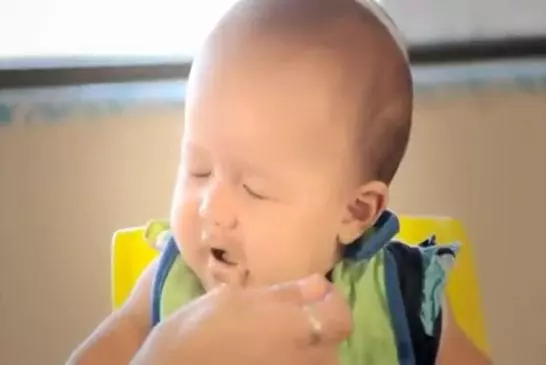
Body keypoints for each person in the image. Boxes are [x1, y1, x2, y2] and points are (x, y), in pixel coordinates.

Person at [70, 0, 493, 364]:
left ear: (355, 210)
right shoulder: (169, 281)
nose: (210, 209)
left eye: (253, 188)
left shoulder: (402, 299)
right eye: (198, 170)